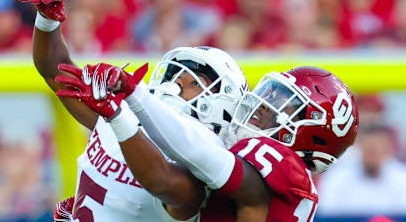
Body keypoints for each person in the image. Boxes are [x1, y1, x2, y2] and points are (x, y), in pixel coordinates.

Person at [20, 0, 247, 221]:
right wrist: (48, 21)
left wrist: (118, 118)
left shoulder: (206, 154)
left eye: (194, 83)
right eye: (175, 75)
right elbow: (53, 70)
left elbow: (162, 182)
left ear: (223, 103)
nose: (177, 84)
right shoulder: (121, 114)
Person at [56, 63, 359, 221]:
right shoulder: (257, 156)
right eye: (272, 93)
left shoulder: (280, 163)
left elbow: (200, 162)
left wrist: (134, 99)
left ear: (315, 130)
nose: (265, 105)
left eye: (285, 103)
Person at [317, 124, 406, 216]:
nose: (373, 152)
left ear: (389, 148)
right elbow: (326, 215)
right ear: (358, 147)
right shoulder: (337, 177)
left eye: (378, 146)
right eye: (368, 147)